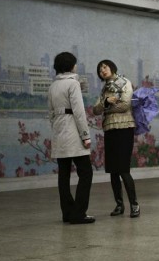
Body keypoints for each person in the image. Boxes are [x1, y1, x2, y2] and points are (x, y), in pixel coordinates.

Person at [48, 52, 95, 224]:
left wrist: (56, 132)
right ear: (71, 66)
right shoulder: (73, 84)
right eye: (75, 64)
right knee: (86, 173)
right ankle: (79, 213)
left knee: (64, 175)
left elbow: (50, 114)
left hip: (59, 132)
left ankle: (67, 213)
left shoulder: (53, 86)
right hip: (73, 132)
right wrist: (85, 135)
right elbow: (79, 112)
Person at [93, 60, 140, 218]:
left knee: (123, 169)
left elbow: (125, 105)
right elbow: (95, 109)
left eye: (104, 67)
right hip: (109, 129)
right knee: (113, 170)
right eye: (100, 70)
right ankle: (119, 205)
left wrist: (107, 107)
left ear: (112, 67)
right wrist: (106, 102)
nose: (102, 71)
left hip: (125, 127)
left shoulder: (124, 82)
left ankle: (134, 204)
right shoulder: (104, 89)